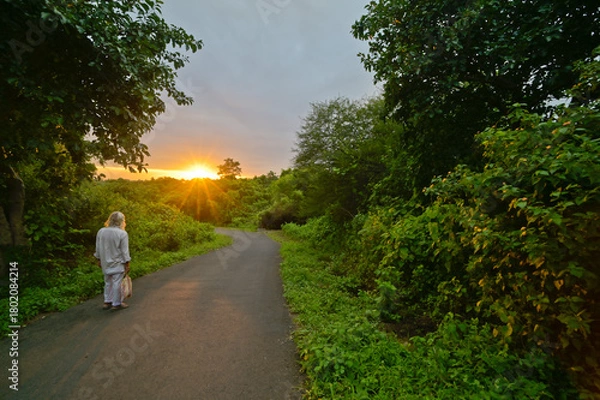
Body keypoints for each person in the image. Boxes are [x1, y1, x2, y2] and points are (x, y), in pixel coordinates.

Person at [94, 211, 131, 311]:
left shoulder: (101, 231)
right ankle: (116, 303)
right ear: (121, 221)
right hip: (117, 262)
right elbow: (124, 251)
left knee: (108, 282)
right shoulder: (122, 233)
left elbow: (98, 247)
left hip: (105, 262)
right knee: (117, 283)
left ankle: (107, 301)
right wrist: (127, 263)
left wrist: (98, 259)